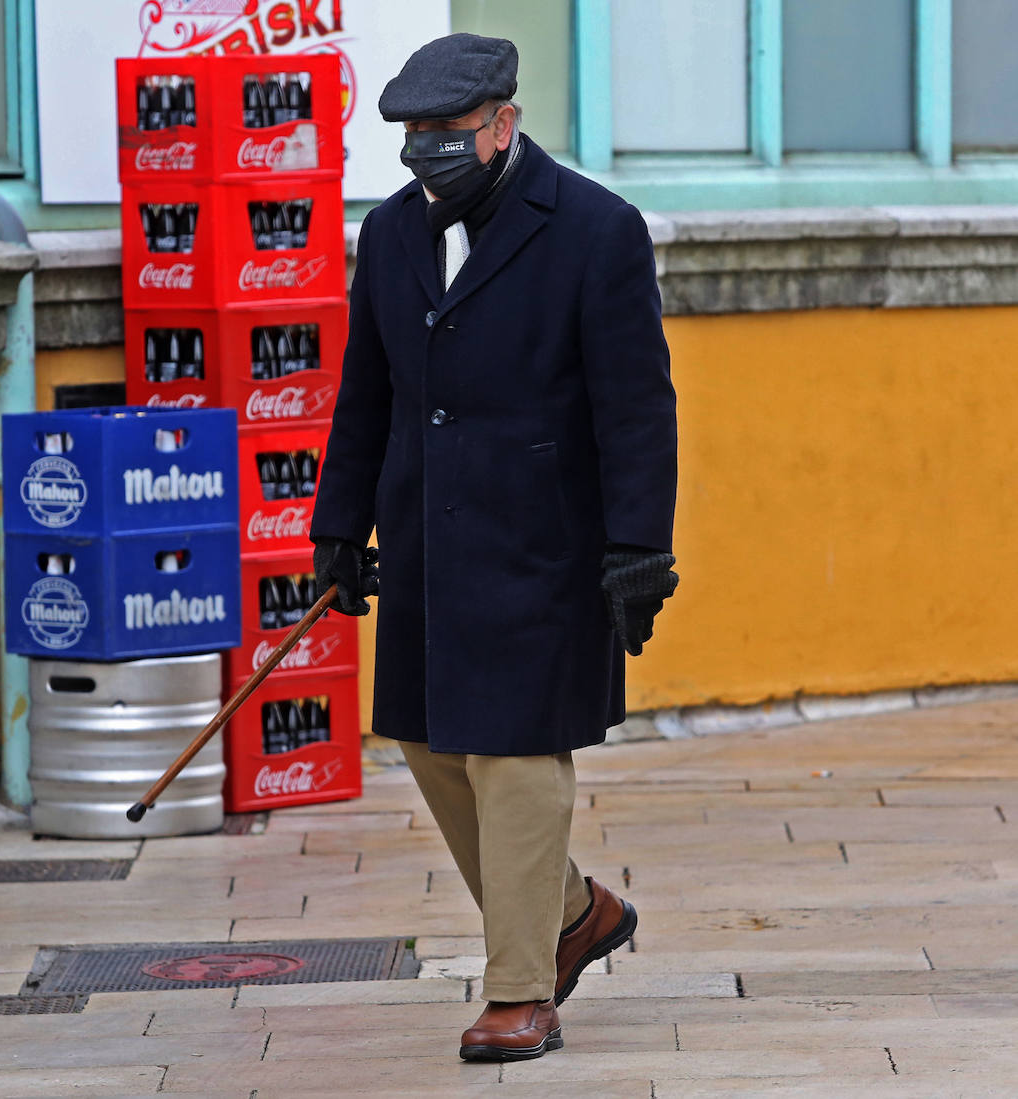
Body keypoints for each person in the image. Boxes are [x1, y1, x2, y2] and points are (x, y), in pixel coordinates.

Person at [310, 32, 679, 1062]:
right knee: (431, 743)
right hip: (429, 536)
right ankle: (572, 914)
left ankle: (521, 991)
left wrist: (638, 547)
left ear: (504, 125)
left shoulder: (596, 231)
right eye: (411, 134)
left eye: (446, 133)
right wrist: (339, 524)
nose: (426, 150)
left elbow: (638, 407)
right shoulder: (388, 236)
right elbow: (367, 393)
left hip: (547, 545)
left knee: (516, 755)